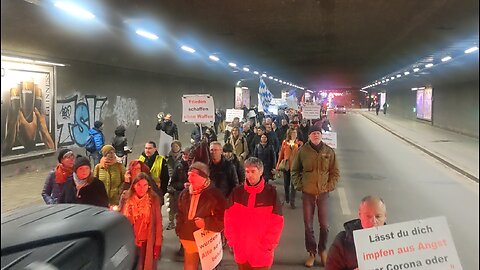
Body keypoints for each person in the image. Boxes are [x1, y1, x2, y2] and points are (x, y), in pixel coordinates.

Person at [291, 125, 340, 267]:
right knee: (308, 225)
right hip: (308, 194)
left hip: (323, 194)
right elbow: (295, 170)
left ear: (321, 135)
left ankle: (323, 250)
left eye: (318, 133)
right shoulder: (302, 151)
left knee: (325, 225)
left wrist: (329, 187)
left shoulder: (329, 152)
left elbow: (335, 172)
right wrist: (300, 185)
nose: (316, 135)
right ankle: (312, 252)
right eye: (313, 133)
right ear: (309, 136)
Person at [224, 157, 284, 270]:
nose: (249, 175)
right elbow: (229, 218)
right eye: (247, 171)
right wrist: (233, 241)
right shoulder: (237, 192)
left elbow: (277, 222)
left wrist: (268, 244)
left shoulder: (271, 193)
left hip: (261, 252)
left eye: (253, 171)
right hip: (242, 251)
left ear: (261, 172)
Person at [176, 162, 226, 270]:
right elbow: (179, 215)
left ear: (203, 177)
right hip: (189, 238)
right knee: (189, 266)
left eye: (193, 175)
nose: (189, 178)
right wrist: (180, 231)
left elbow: (223, 219)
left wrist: (206, 223)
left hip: (207, 241)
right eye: (188, 174)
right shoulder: (184, 194)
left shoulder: (215, 195)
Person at [326, 196, 387, 270]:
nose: (373, 221)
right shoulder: (342, 242)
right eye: (368, 216)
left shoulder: (396, 241)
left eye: (378, 216)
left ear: (385, 216)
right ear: (360, 215)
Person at [122, 172, 163, 270]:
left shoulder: (153, 199)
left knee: (144, 265)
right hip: (130, 241)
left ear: (149, 186)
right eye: (139, 185)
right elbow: (121, 218)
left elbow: (158, 222)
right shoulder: (126, 198)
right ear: (134, 186)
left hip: (146, 241)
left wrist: (158, 244)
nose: (142, 188)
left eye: (145, 185)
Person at [276, 128, 303, 209]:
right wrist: (277, 165)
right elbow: (281, 154)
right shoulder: (285, 142)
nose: (295, 134)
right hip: (286, 166)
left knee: (293, 184)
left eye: (295, 133)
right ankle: (287, 196)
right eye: (293, 133)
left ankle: (292, 201)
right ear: (289, 134)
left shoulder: (300, 143)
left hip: (295, 166)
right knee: (286, 183)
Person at [166, 147, 190, 230]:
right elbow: (173, 183)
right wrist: (183, 185)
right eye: (183, 154)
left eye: (187, 154)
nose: (185, 155)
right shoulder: (178, 166)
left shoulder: (194, 165)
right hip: (180, 195)